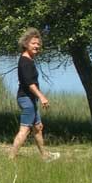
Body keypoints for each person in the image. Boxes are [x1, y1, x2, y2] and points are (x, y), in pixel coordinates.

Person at [9, 28, 60, 161]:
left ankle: (45, 156)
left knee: (38, 127)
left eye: (38, 44)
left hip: (30, 99)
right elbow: (30, 83)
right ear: (26, 44)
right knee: (25, 130)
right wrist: (42, 97)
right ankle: (11, 158)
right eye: (33, 43)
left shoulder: (29, 60)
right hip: (26, 99)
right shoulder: (25, 61)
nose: (36, 46)